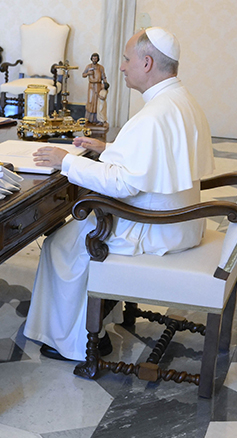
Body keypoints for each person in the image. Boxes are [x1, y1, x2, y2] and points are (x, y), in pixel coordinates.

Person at [24, 27, 214, 362]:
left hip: (154, 225)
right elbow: (153, 159)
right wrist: (109, 148)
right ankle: (94, 319)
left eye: (127, 59)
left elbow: (123, 184)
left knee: (60, 244)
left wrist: (65, 160)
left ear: (147, 62)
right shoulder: (181, 99)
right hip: (182, 221)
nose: (122, 67)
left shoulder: (154, 114)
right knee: (71, 236)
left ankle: (75, 342)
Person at [82, 52, 109, 124]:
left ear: (98, 59)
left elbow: (104, 76)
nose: (94, 60)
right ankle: (89, 118)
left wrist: (105, 85)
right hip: (91, 85)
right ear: (91, 59)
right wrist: (88, 73)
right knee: (90, 100)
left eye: (96, 58)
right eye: (93, 58)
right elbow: (83, 74)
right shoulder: (88, 66)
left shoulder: (101, 67)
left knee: (98, 101)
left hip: (98, 85)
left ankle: (98, 119)